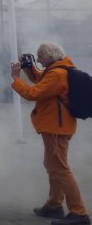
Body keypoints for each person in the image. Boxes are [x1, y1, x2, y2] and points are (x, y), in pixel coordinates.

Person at [12, 42, 90, 225]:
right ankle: (54, 205)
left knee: (60, 169)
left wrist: (16, 77)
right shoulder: (57, 70)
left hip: (56, 127)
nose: (37, 58)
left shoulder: (57, 74)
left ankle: (79, 213)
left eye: (40, 56)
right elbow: (42, 81)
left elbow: (33, 93)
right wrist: (29, 68)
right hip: (56, 126)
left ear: (50, 56)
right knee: (52, 165)